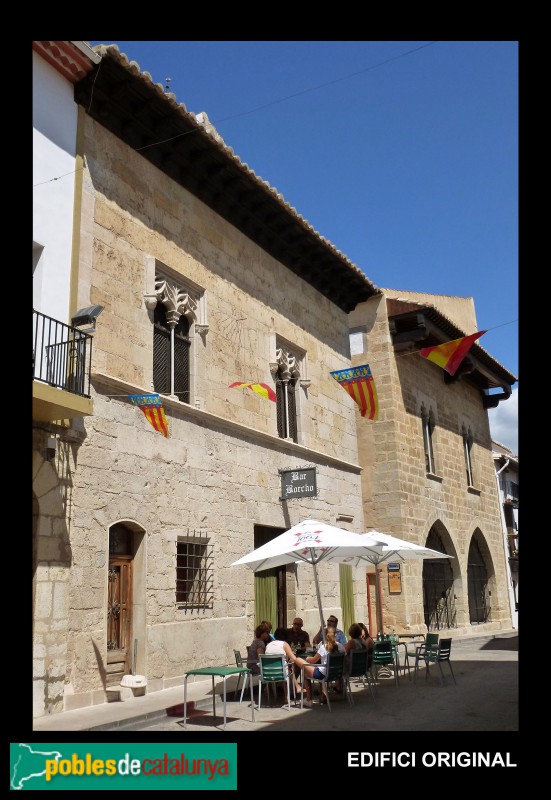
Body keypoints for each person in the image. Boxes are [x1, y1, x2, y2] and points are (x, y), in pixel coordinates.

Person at [295, 628, 344, 706]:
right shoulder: (341, 646)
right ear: (336, 635)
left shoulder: (324, 647)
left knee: (299, 662)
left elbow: (313, 660)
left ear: (325, 635)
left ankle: (309, 699)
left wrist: (308, 658)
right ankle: (322, 696)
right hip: (335, 673)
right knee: (313, 668)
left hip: (323, 674)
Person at [265, 627, 299, 703]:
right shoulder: (284, 644)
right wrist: (289, 661)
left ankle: (270, 693)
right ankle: (287, 696)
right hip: (280, 673)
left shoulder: (268, 645)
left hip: (267, 673)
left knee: (285, 667)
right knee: (289, 668)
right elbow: (293, 658)